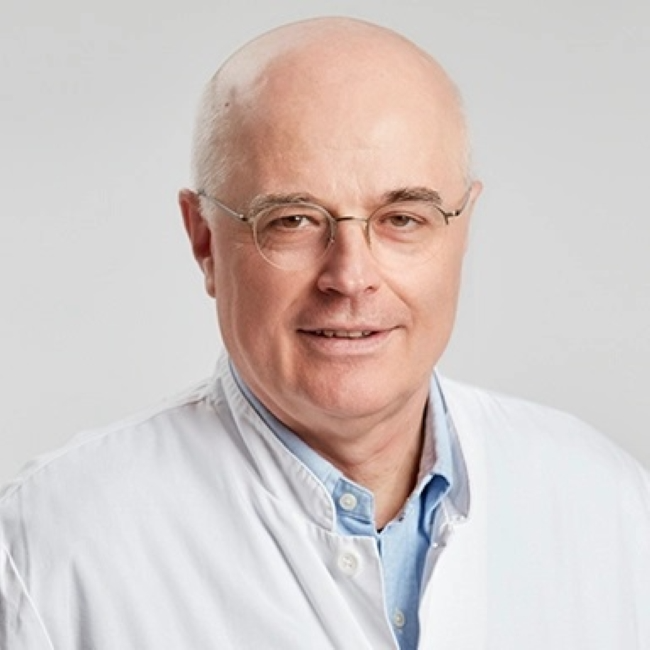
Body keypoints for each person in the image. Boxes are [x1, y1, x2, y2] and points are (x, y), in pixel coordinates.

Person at [1, 16, 648, 650]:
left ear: (463, 228)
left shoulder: (608, 505)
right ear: (204, 240)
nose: (351, 277)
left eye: (402, 218)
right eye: (293, 219)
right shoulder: (48, 548)